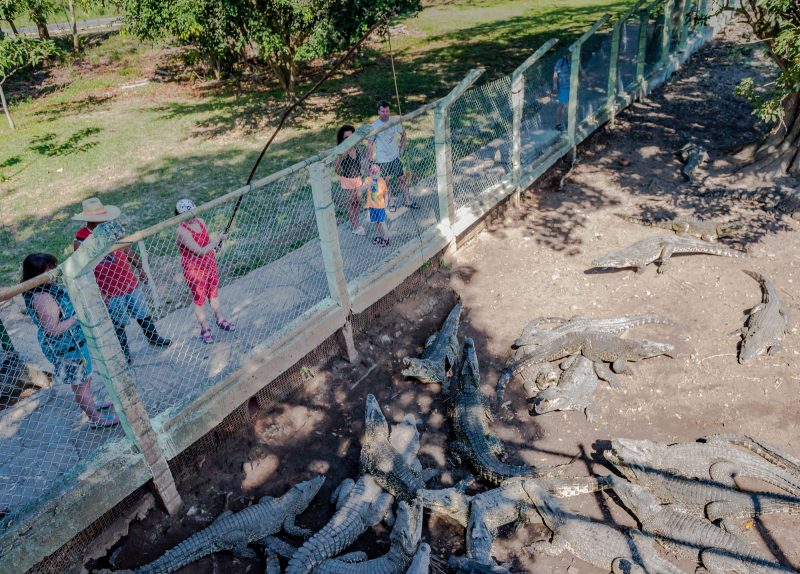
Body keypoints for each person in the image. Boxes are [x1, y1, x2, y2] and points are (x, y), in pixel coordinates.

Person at [21, 253, 119, 429]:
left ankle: (91, 405)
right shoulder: (42, 298)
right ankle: (96, 420)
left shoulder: (46, 287)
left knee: (83, 380)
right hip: (68, 348)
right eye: (49, 269)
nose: (55, 271)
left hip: (74, 344)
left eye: (54, 266)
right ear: (37, 274)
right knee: (81, 385)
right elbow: (53, 329)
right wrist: (77, 316)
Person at [72, 197, 172, 364]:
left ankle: (153, 337)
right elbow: (84, 270)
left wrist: (139, 267)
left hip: (128, 280)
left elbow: (125, 248)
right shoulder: (81, 240)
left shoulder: (111, 229)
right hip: (109, 287)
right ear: (89, 219)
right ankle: (124, 352)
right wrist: (99, 291)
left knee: (142, 311)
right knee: (118, 321)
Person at [174, 199, 235, 344]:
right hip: (195, 270)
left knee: (213, 293)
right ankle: (205, 329)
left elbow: (206, 242)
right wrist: (216, 241)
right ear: (180, 216)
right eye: (188, 215)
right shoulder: (182, 231)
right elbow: (200, 251)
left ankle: (220, 318)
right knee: (200, 299)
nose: (192, 217)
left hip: (210, 263)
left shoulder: (200, 221)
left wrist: (215, 244)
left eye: (193, 212)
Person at [367, 100, 417, 211]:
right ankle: (391, 202)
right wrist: (370, 161)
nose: (385, 113)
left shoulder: (394, 121)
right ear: (378, 112)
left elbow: (404, 134)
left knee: (401, 180)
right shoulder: (374, 126)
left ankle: (408, 201)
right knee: (387, 182)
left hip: (395, 157)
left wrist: (402, 147)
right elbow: (370, 143)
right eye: (383, 111)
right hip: (382, 160)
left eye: (387, 111)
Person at [334, 124, 367, 236]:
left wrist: (361, 170)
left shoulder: (356, 148)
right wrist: (343, 175)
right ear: (342, 139)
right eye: (346, 138)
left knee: (357, 201)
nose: (349, 140)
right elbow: (337, 167)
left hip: (357, 178)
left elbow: (360, 161)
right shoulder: (342, 152)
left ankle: (356, 221)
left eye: (351, 137)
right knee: (351, 202)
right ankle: (356, 226)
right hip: (347, 180)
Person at [361, 163, 390, 247]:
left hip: (380, 206)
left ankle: (386, 238)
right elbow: (362, 189)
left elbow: (385, 192)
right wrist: (367, 186)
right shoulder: (368, 180)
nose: (374, 173)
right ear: (369, 172)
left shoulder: (381, 181)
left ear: (380, 172)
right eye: (372, 171)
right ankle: (378, 236)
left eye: (376, 171)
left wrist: (386, 201)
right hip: (371, 206)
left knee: (382, 222)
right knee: (375, 222)